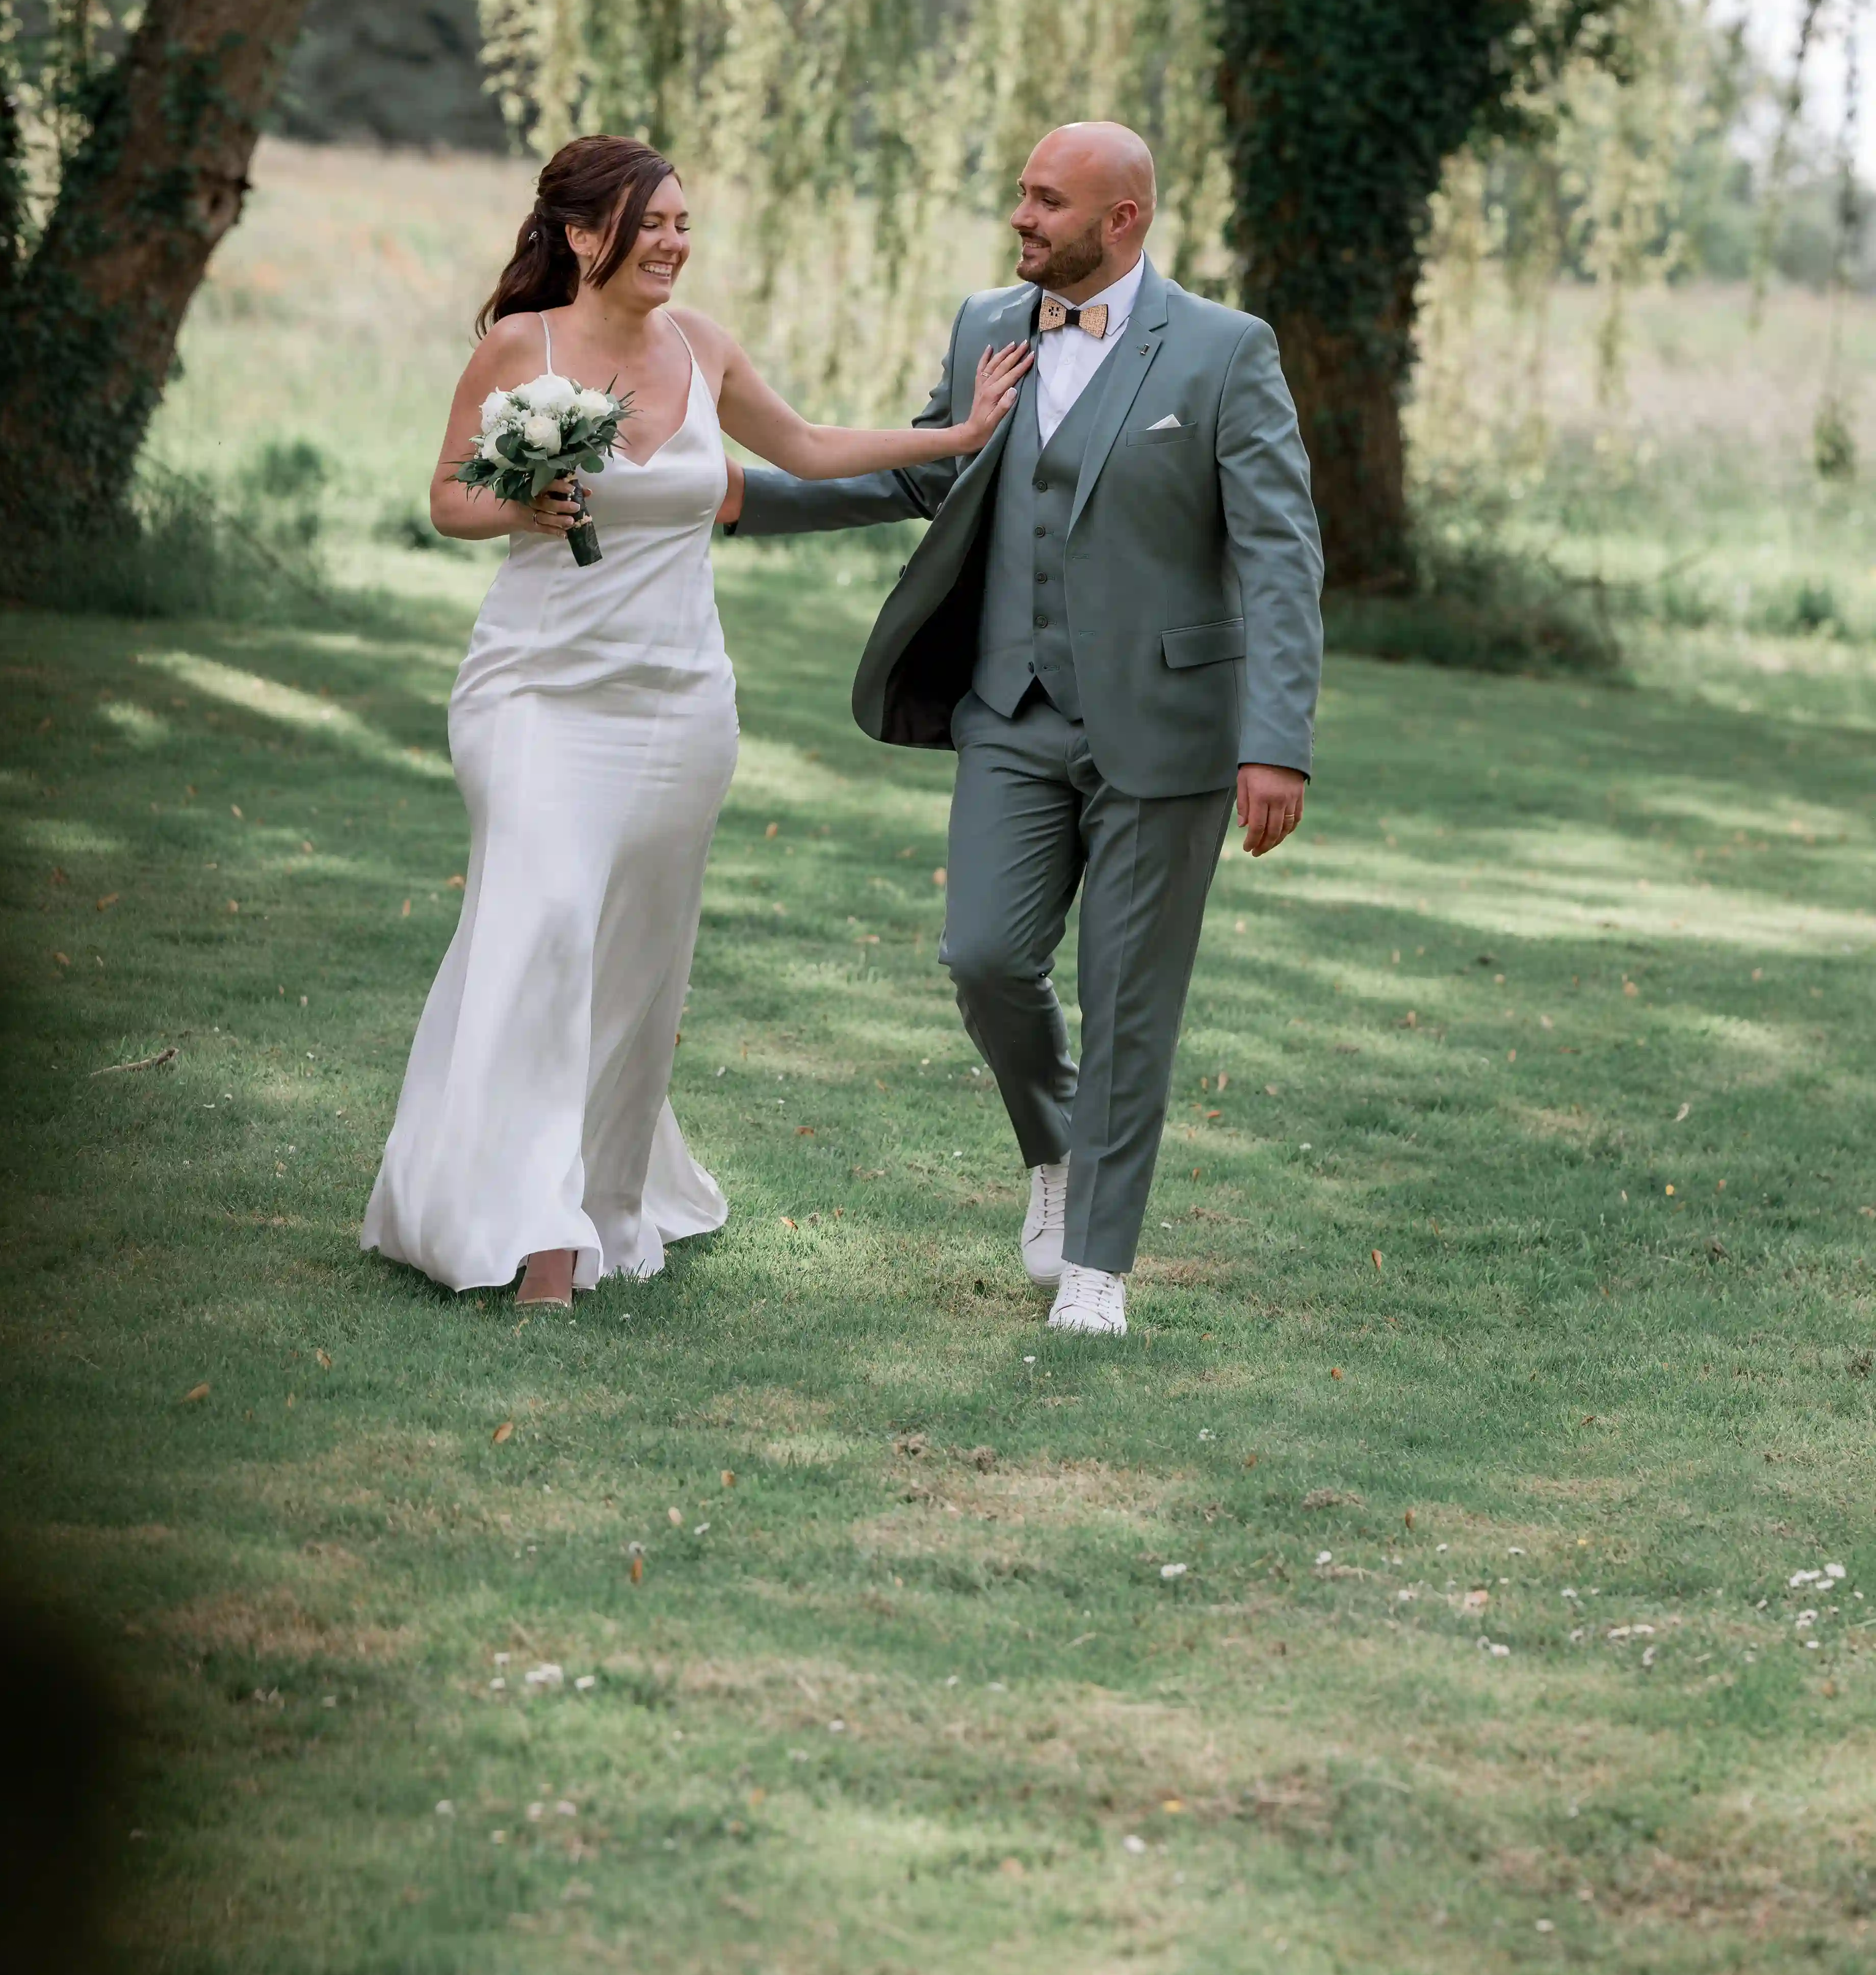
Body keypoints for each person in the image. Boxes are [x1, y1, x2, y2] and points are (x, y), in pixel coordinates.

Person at [360, 135, 1028, 1307]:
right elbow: (449, 497)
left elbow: (809, 449)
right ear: (581, 235)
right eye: (650, 221)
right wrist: (521, 500)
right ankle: (538, 1239)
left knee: (635, 961)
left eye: (681, 221)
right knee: (547, 922)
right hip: (536, 691)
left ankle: (603, 1196)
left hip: (679, 702)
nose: (673, 240)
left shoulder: (702, 345)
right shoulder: (526, 346)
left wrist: (958, 438)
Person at [724, 122, 1323, 1336]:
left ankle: (1097, 1263)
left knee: (1128, 994)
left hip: (1168, 727)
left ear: (1124, 220)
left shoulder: (1224, 353)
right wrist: (743, 497)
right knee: (984, 956)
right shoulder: (987, 325)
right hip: (1010, 709)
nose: (1022, 218)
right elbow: (922, 470)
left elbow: (1279, 552)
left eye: (1049, 201)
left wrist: (1278, 738)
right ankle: (1053, 1145)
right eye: (1020, 195)